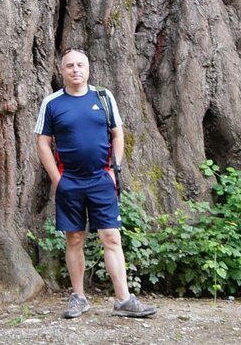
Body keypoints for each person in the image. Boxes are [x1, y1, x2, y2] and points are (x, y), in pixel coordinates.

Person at [34, 48, 157, 320]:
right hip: (70, 182)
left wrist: (115, 168)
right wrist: (57, 179)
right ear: (62, 70)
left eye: (80, 65)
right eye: (70, 66)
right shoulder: (52, 103)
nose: (75, 70)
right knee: (74, 237)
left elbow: (117, 133)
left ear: (88, 69)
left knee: (111, 236)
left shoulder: (103, 97)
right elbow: (42, 142)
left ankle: (123, 299)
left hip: (101, 179)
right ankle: (79, 297)